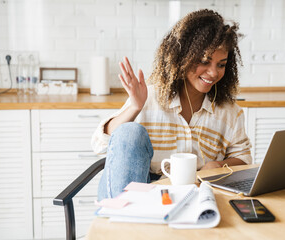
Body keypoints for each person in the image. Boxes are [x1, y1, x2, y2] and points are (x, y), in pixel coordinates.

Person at [92, 9, 252, 200]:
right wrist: (134, 107)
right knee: (129, 131)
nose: (213, 72)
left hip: (195, 195)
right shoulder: (149, 97)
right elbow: (100, 144)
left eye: (221, 64)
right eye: (204, 61)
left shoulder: (229, 112)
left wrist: (218, 165)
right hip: (142, 190)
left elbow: (244, 160)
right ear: (182, 56)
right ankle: (120, 220)